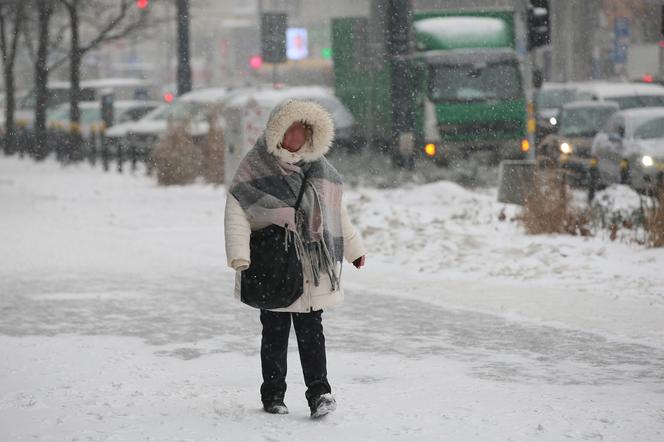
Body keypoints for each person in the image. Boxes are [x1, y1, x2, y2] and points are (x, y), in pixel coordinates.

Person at [224, 99, 367, 418]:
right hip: (272, 262)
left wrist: (353, 249)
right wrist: (239, 254)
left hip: (311, 265)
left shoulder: (320, 168)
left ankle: (320, 394)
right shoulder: (256, 164)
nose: (297, 136)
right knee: (274, 331)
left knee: (312, 331)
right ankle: (273, 394)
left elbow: (335, 211)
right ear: (277, 131)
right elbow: (238, 209)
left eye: (303, 130)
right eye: (291, 129)